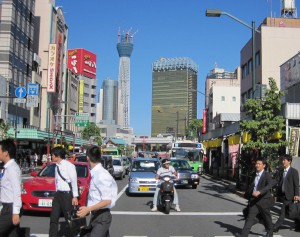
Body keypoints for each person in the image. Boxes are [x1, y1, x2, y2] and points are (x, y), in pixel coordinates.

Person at [77, 145, 118, 237]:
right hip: (95, 215)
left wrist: (88, 209)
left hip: (102, 216)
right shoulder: (95, 173)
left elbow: (107, 200)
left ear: (87, 157)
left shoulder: (101, 175)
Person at [237, 158, 276, 237]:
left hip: (264, 201)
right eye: (256, 164)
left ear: (264, 166)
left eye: (259, 164)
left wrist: (260, 192)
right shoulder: (254, 174)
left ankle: (270, 233)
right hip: (254, 201)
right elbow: (252, 186)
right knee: (249, 218)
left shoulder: (266, 175)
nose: (257, 165)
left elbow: (270, 184)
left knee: (267, 218)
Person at [49, 146, 79, 237]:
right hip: (58, 194)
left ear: (57, 156)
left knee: (69, 218)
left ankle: (74, 235)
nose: (51, 157)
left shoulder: (69, 166)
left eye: (52, 155)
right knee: (53, 218)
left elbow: (74, 181)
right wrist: (56, 192)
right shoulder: (56, 166)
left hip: (67, 195)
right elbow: (57, 181)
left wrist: (75, 196)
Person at [0, 139, 22, 236]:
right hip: (6, 207)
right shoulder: (7, 167)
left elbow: (17, 190)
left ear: (6, 153)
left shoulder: (12, 168)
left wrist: (16, 212)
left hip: (10, 208)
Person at [273, 154, 300, 232]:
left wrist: (297, 195)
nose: (283, 161)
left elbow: (296, 184)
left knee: (283, 211)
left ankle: (276, 227)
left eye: (284, 160)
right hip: (283, 194)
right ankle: (298, 224)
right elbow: (278, 181)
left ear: (289, 161)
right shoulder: (281, 171)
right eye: (282, 160)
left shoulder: (294, 171)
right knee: (291, 211)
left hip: (290, 195)